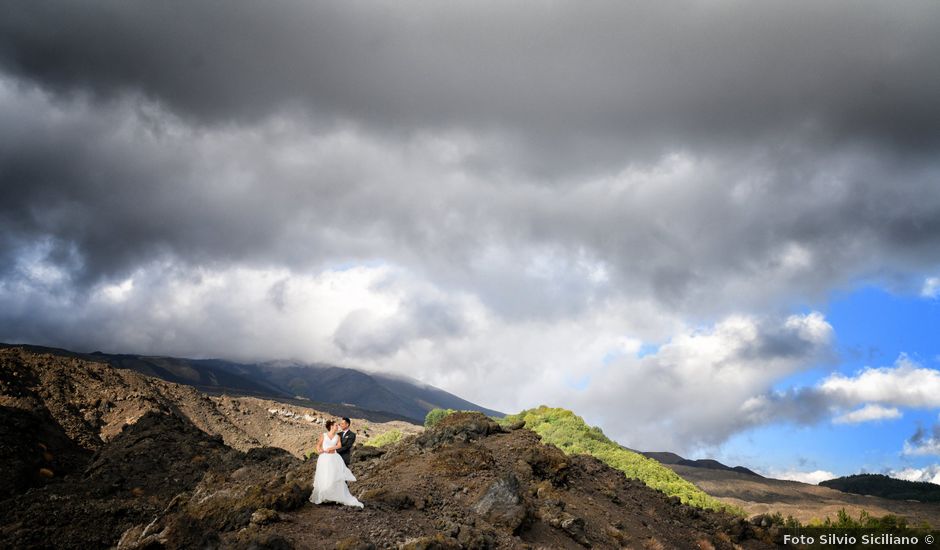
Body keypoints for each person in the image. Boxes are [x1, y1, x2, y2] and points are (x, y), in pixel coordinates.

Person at [310, 419, 363, 507]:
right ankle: (324, 495)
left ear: (348, 424)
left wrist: (331, 449)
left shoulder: (343, 436)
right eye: (336, 425)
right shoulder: (327, 435)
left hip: (335, 458)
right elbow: (318, 445)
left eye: (340, 424)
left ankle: (336, 496)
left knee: (336, 476)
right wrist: (319, 450)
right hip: (324, 458)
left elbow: (341, 446)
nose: (338, 426)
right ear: (331, 426)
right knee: (325, 475)